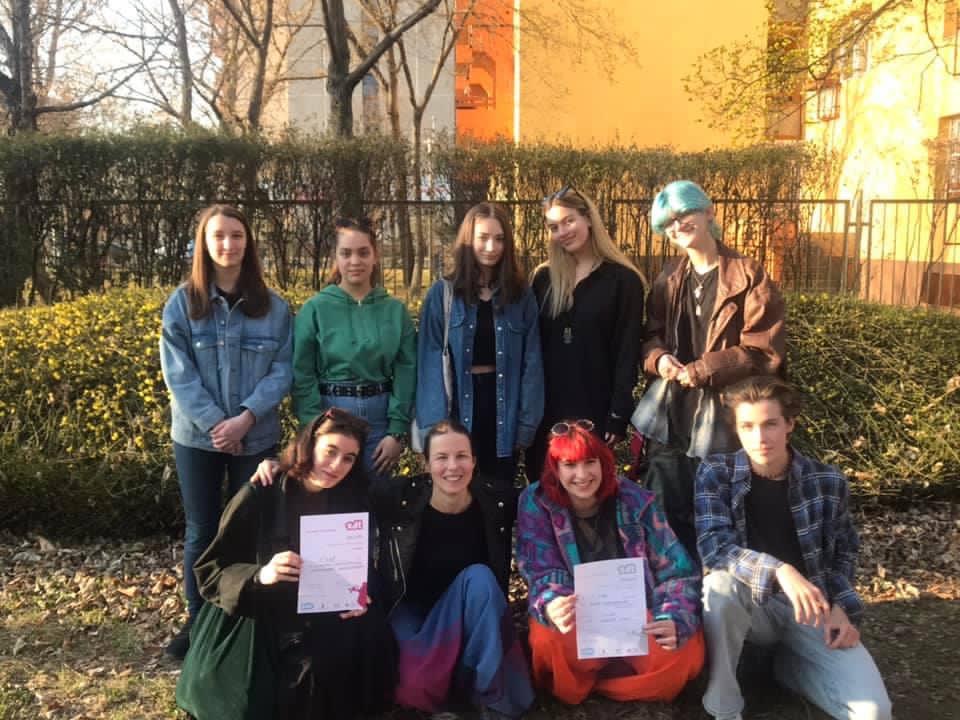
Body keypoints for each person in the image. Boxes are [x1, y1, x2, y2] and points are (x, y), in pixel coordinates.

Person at [179, 408, 396, 719]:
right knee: (251, 700)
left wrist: (361, 594)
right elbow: (210, 569)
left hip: (323, 606)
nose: (337, 465)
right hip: (260, 609)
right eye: (330, 451)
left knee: (359, 653)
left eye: (348, 458)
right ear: (309, 446)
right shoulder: (262, 491)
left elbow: (360, 565)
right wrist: (260, 574)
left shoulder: (351, 498)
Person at [695, 375, 891, 720]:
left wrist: (843, 607)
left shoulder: (827, 480)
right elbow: (715, 547)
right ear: (737, 430)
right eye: (748, 426)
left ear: (789, 424)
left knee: (873, 713)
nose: (760, 437)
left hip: (812, 608)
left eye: (770, 424)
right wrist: (780, 570)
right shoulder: (715, 473)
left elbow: (845, 550)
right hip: (750, 605)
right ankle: (724, 705)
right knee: (718, 587)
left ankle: (789, 669)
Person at [160, 204, 293, 660]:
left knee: (250, 527)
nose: (228, 244)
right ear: (204, 243)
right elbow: (178, 375)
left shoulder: (275, 308)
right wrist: (217, 424)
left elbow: (282, 370)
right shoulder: (182, 304)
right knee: (202, 528)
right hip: (197, 438)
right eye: (218, 235)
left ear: (248, 242)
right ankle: (199, 622)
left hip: (256, 436)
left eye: (236, 235)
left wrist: (246, 418)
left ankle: (241, 620)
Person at [635, 179, 785, 561]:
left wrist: (705, 369)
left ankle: (720, 590)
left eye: (684, 214)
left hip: (725, 419)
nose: (677, 225)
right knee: (666, 518)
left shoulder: (748, 274)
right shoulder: (669, 276)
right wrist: (659, 358)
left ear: (708, 212)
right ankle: (677, 590)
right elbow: (650, 335)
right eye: (668, 222)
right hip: (672, 416)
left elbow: (764, 351)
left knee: (721, 519)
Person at [516, 419, 704, 705]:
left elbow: (677, 570)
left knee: (686, 652)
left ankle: (602, 686)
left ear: (603, 463)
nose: (582, 475)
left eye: (590, 462)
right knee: (547, 640)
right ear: (555, 468)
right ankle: (620, 683)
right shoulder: (536, 501)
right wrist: (553, 602)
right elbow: (540, 566)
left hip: (636, 617)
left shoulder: (636, 500)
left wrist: (673, 616)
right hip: (579, 618)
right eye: (569, 465)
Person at [373, 420, 535, 718]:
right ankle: (458, 677)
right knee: (414, 691)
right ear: (426, 463)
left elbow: (547, 496)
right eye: (441, 457)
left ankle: (490, 697)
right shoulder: (397, 496)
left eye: (461, 456)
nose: (452, 467)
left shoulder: (497, 499)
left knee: (480, 577)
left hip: (471, 606)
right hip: (411, 608)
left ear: (473, 461)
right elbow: (342, 491)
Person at [416, 202, 543, 500]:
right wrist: (433, 429)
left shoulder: (521, 295)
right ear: (468, 240)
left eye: (499, 239)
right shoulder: (443, 294)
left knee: (499, 497)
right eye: (483, 237)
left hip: (504, 409)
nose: (491, 247)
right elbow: (429, 363)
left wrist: (527, 422)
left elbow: (532, 361)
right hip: (458, 407)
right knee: (457, 495)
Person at [527, 186, 646, 484]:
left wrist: (618, 414)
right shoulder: (543, 279)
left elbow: (627, 351)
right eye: (554, 227)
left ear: (588, 218)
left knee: (587, 489)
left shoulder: (623, 281)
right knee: (546, 488)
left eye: (569, 221)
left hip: (595, 405)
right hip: (546, 407)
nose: (562, 232)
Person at [291, 217, 416, 489]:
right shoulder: (316, 309)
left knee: (376, 498)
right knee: (331, 498)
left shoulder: (395, 311)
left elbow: (407, 370)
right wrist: (312, 425)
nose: (355, 261)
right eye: (346, 253)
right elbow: (302, 371)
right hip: (331, 413)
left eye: (363, 252)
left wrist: (397, 431)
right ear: (335, 257)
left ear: (375, 256)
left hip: (379, 416)